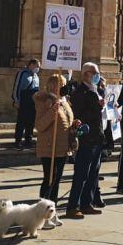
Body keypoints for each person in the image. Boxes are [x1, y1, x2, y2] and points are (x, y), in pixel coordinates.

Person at [65, 63, 106, 219]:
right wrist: (97, 106)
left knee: (93, 174)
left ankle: (86, 203)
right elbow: (79, 115)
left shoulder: (96, 90)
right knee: (81, 174)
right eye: (94, 73)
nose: (97, 75)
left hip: (97, 136)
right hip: (86, 138)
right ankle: (72, 206)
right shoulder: (79, 93)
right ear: (86, 74)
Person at [34, 73, 71, 227]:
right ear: (53, 86)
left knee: (56, 182)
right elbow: (40, 125)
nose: (64, 87)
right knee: (49, 180)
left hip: (62, 147)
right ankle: (43, 215)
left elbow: (67, 120)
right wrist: (52, 111)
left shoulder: (64, 101)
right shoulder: (45, 101)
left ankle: (52, 212)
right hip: (50, 147)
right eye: (61, 84)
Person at [12, 59, 40, 148]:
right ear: (31, 64)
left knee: (31, 121)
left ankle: (28, 139)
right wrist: (16, 100)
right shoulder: (22, 73)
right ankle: (18, 140)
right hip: (24, 99)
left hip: (33, 101)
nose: (38, 68)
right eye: (37, 66)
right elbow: (16, 87)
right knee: (21, 121)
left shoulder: (36, 76)